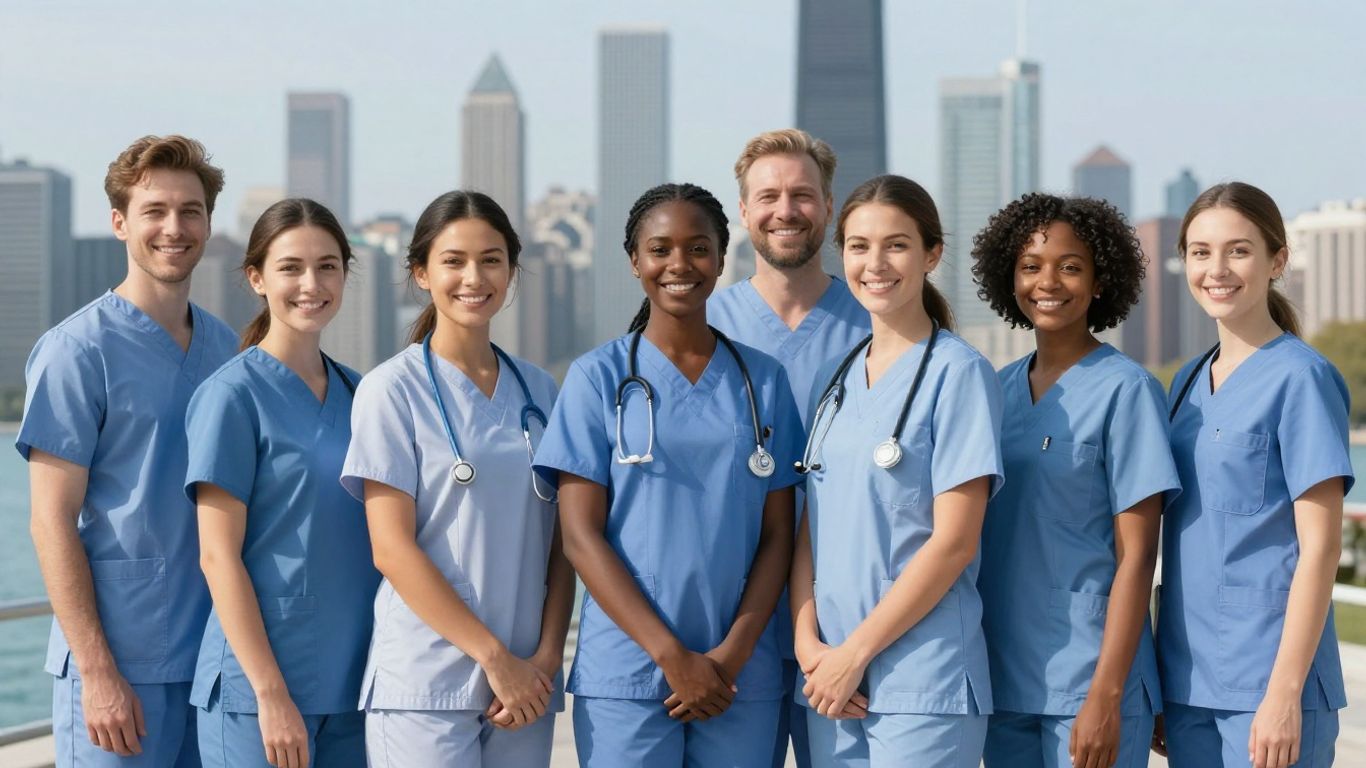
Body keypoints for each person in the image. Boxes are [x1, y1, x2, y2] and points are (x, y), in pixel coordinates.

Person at [533, 182, 804, 767]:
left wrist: (729, 658)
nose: (679, 264)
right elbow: (580, 537)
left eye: (698, 248)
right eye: (660, 249)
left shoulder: (764, 381)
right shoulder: (596, 378)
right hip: (627, 672)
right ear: (635, 261)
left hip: (739, 674)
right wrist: (671, 658)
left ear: (720, 257)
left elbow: (780, 533)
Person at [19, 135, 238, 766]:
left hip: (215, 665)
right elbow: (50, 520)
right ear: (120, 223)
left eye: (190, 211)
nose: (175, 227)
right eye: (155, 211)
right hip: (119, 668)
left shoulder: (227, 350)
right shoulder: (76, 352)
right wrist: (97, 673)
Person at [340, 191, 574, 767]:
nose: (474, 276)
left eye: (492, 260)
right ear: (421, 272)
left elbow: (564, 545)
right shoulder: (391, 390)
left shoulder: (541, 392)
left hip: (526, 686)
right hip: (427, 681)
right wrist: (497, 660)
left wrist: (544, 658)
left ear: (512, 270)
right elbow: (391, 550)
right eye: (453, 261)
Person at [791, 174, 1002, 768]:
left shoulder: (959, 374)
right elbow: (814, 525)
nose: (875, 263)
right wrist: (807, 640)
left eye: (897, 245)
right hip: (830, 680)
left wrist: (854, 654)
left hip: (922, 679)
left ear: (931, 254)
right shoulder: (837, 379)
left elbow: (955, 542)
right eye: (858, 246)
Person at [969, 194, 1179, 768]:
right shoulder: (992, 390)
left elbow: (1138, 556)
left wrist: (1107, 696)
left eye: (1071, 266)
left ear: (1099, 279)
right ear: (1008, 279)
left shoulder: (1127, 391)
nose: (1049, 282)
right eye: (1031, 266)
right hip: (1002, 675)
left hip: (1089, 679)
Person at [1156, 182, 1352, 768]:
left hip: (1269, 684)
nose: (1216, 269)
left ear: (1277, 261)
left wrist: (1285, 693)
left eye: (1238, 251)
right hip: (1189, 682)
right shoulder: (1186, 383)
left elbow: (1320, 548)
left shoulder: (1302, 378)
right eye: (1199, 251)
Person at [183, 199, 378, 768]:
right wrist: (269, 694)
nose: (310, 284)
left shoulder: (363, 395)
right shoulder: (231, 397)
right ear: (257, 279)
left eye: (328, 266)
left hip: (353, 684)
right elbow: (218, 558)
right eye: (290, 267)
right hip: (258, 693)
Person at [708, 129, 872, 768]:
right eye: (768, 196)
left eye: (803, 194)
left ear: (829, 207)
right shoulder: (700, 328)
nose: (786, 210)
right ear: (744, 212)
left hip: (848, 628)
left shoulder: (879, 325)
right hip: (729, 628)